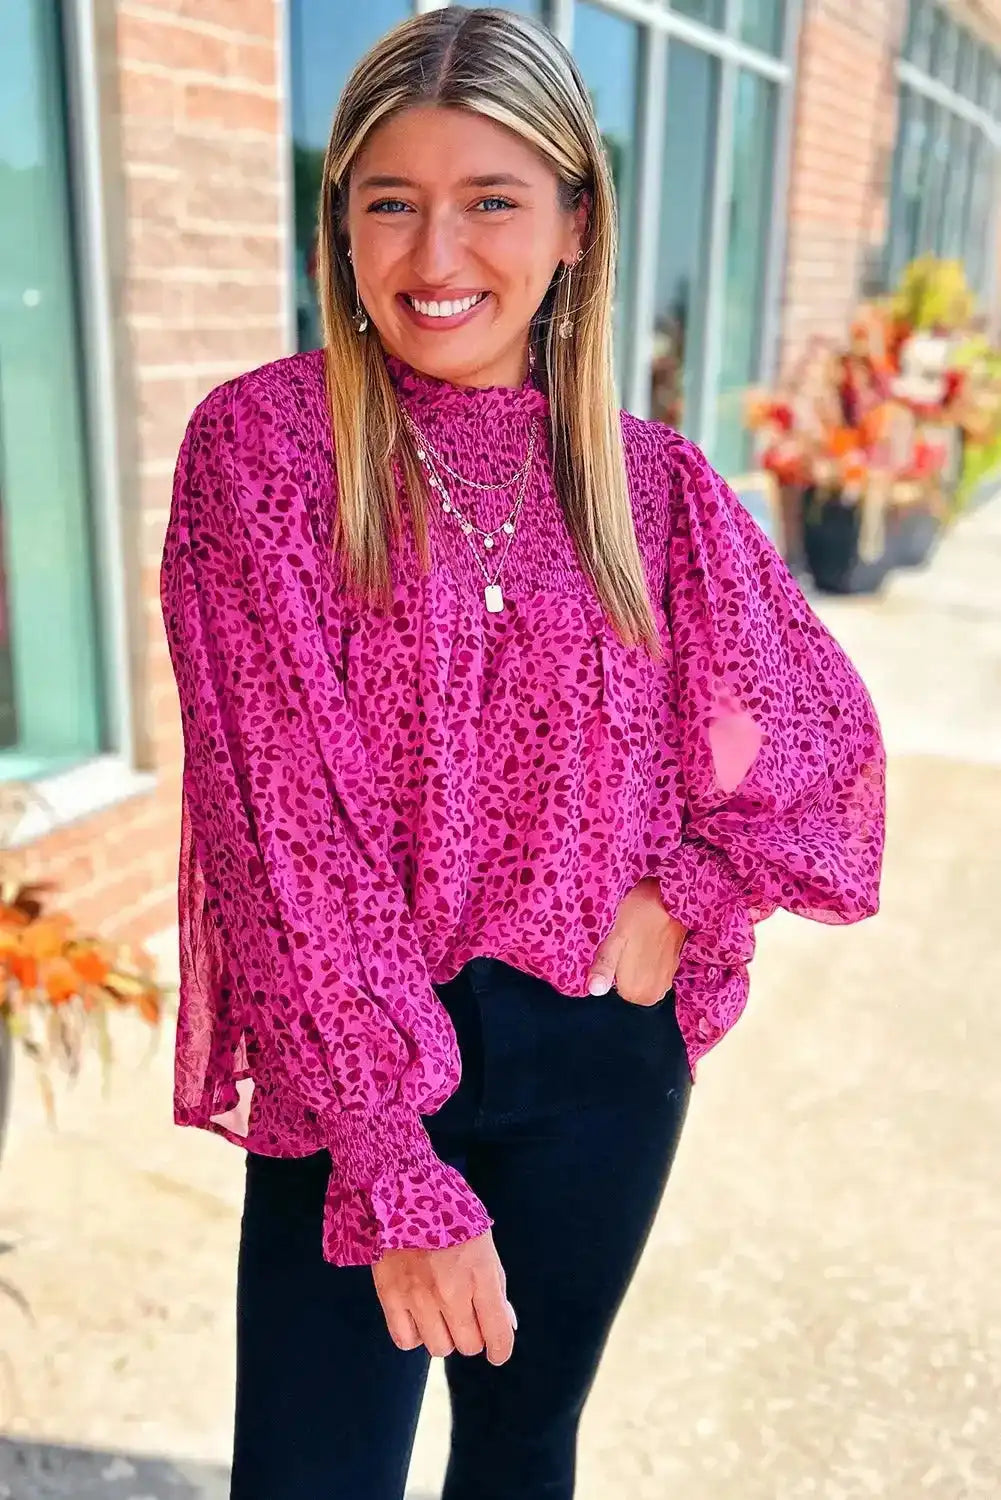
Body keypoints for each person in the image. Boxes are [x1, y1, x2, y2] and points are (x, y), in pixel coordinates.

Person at [159, 9, 885, 1498]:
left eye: (490, 200)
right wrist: (388, 1154)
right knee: (309, 1475)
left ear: (573, 223)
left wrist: (684, 887)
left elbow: (820, 735)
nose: (437, 256)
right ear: (339, 223)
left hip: (592, 1060)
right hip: (352, 1061)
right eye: (390, 202)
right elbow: (275, 825)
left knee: (519, 1450)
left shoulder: (655, 485)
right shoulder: (264, 451)